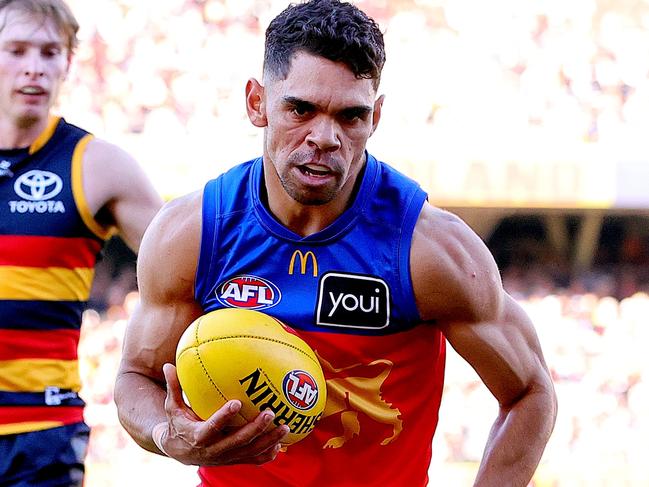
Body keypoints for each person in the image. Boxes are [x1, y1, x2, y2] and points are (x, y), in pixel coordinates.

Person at [114, 1, 557, 486]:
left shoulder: (430, 248)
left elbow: (531, 393)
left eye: (351, 116)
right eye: (301, 109)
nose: (324, 137)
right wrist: (165, 434)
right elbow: (136, 378)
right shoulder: (193, 232)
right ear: (257, 103)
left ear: (377, 117)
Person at [0, 0, 163, 485]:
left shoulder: (97, 166)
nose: (35, 66)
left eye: (50, 52)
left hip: (42, 434)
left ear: (68, 63)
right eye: (18, 49)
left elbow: (187, 267)